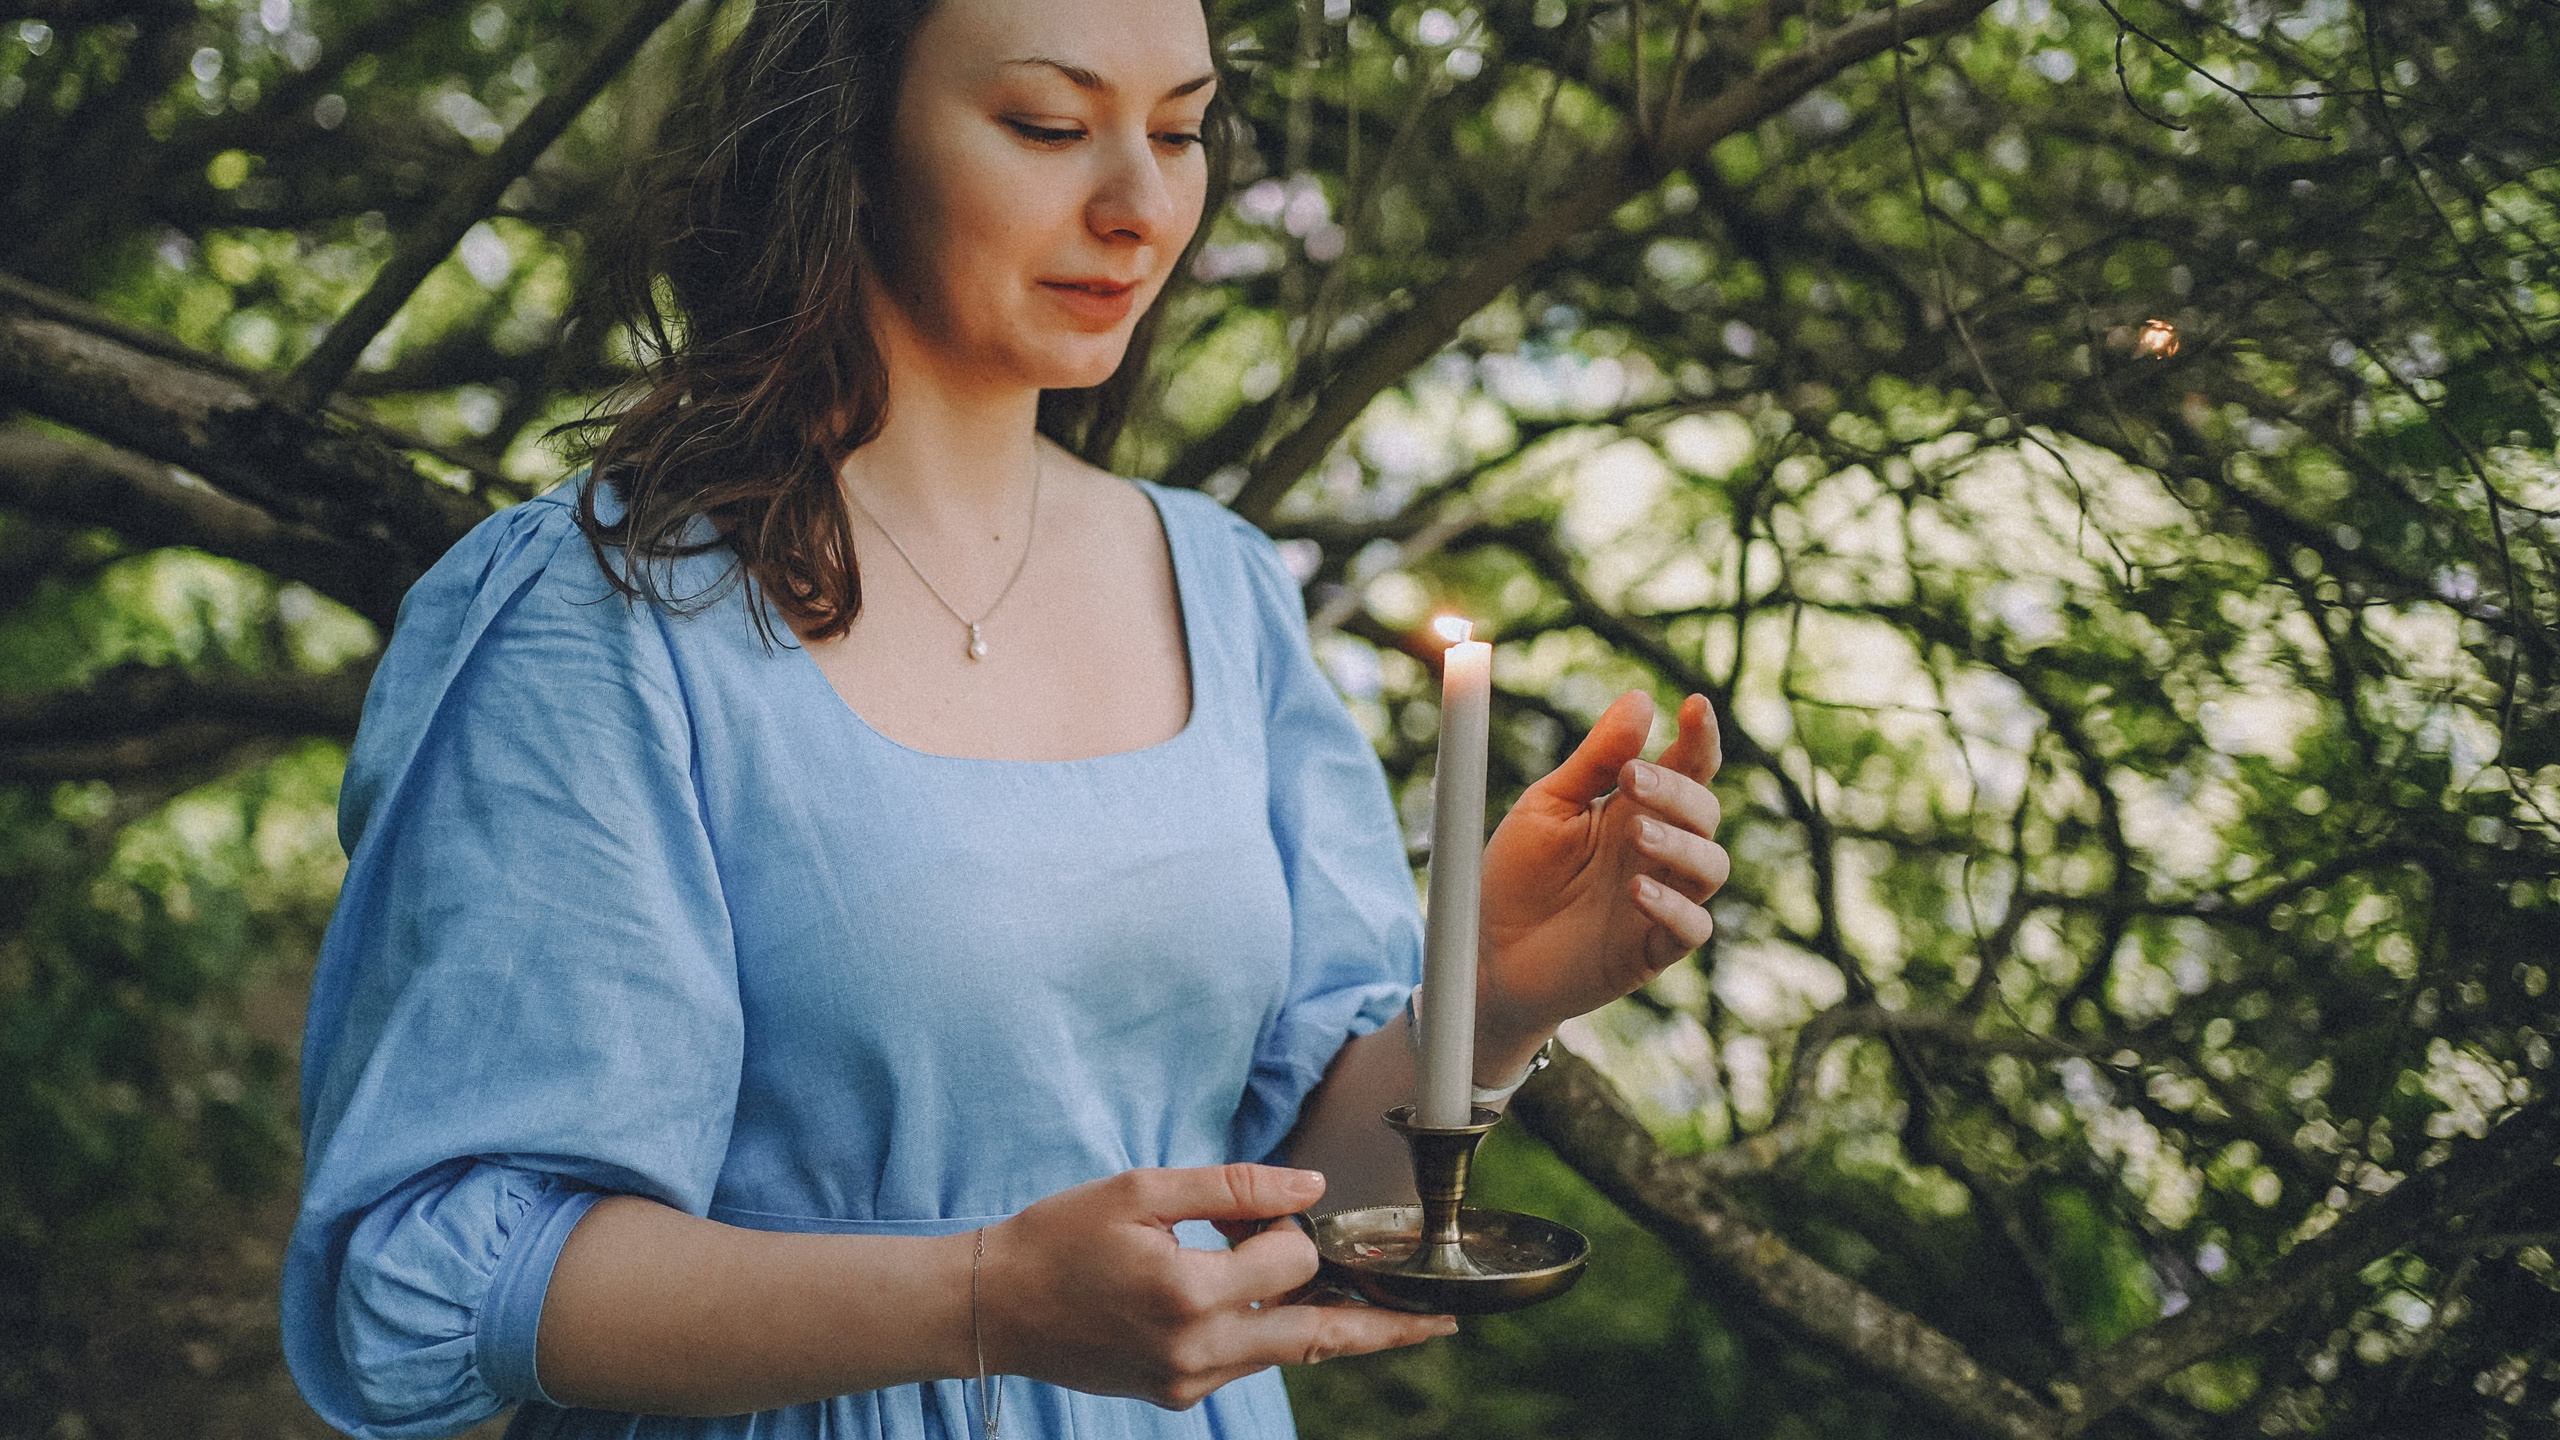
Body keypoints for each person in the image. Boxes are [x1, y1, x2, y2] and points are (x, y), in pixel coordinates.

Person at [280, 0, 1729, 1433]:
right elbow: (449, 1276)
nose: (1143, 206)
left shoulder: (1218, 586)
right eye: (1050, 125)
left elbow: (1290, 1200)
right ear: (848, 132)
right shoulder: (601, 616)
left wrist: (1490, 1001)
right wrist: (978, 1300)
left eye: (1181, 130)